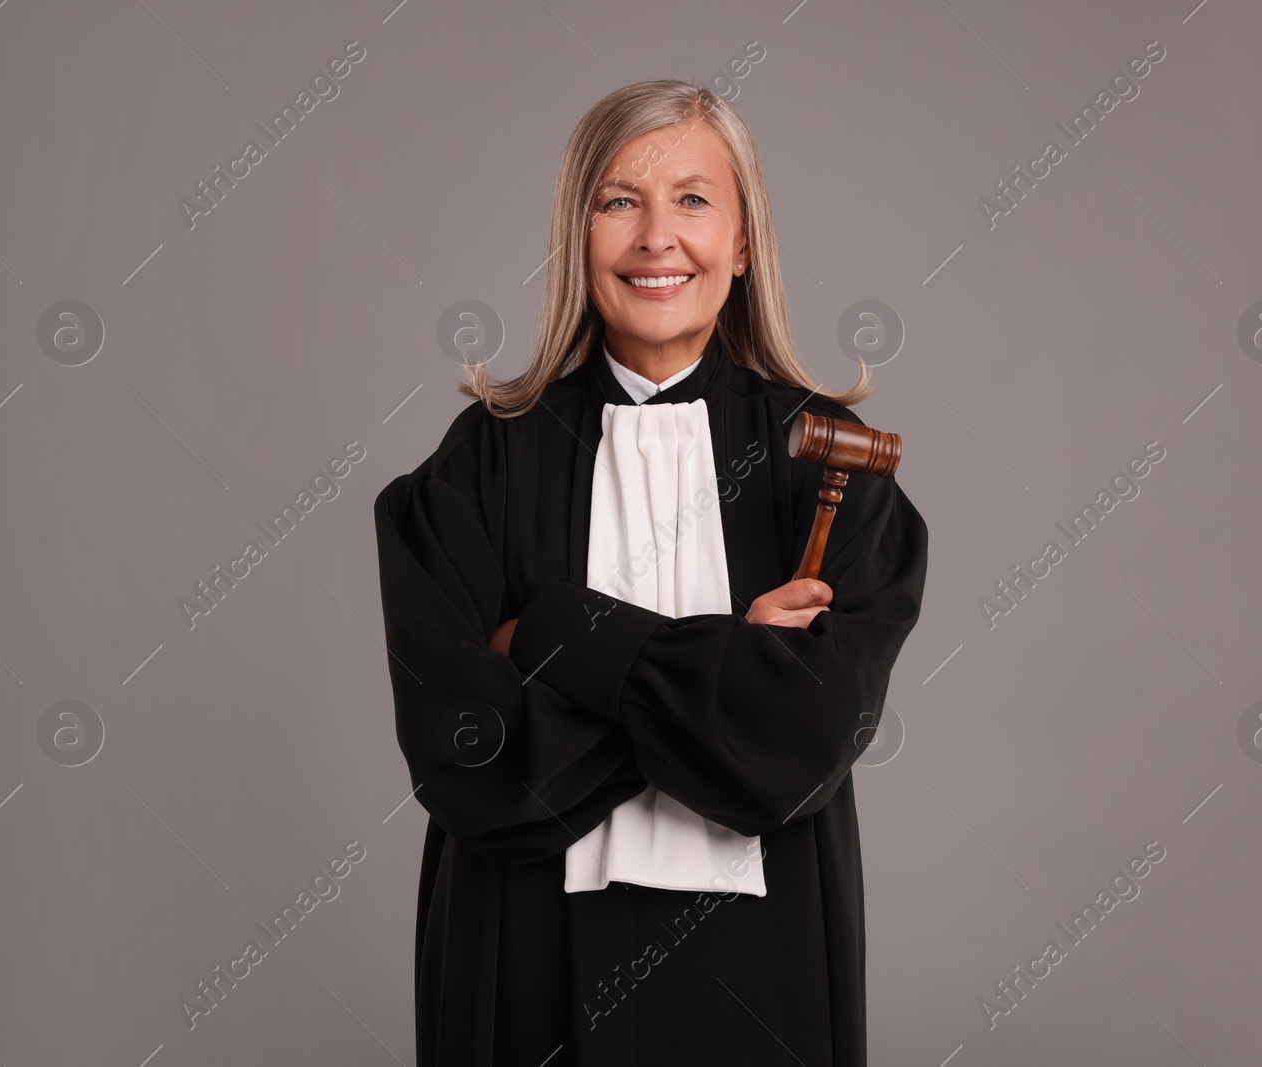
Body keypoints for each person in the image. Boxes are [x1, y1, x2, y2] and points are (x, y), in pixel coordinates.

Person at [374, 78, 927, 1066]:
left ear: (745, 242)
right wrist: (727, 676)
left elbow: (798, 740)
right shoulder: (476, 466)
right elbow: (468, 757)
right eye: (618, 200)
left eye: (694, 200)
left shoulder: (829, 464)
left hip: (768, 955)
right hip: (523, 949)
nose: (655, 238)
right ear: (575, 234)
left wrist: (553, 634)